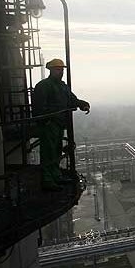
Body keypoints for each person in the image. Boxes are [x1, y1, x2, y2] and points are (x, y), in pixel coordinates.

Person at [33, 58, 90, 191]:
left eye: (61, 70)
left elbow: (72, 99)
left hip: (58, 124)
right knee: (48, 152)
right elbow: (38, 107)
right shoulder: (44, 86)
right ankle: (47, 180)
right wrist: (45, 121)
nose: (60, 72)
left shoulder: (63, 87)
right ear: (51, 70)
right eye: (57, 69)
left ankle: (56, 176)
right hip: (49, 124)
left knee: (56, 151)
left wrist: (82, 104)